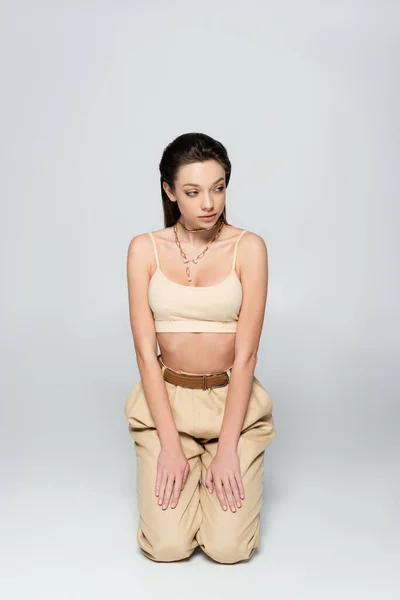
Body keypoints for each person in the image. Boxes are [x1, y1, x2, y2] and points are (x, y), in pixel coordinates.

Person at [124, 132, 276, 564]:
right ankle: (182, 459)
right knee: (167, 547)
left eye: (219, 187)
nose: (209, 203)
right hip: (167, 403)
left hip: (232, 402)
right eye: (193, 192)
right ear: (170, 191)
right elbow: (144, 356)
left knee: (228, 550)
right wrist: (170, 447)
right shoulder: (143, 249)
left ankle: (221, 458)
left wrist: (227, 449)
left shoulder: (249, 247)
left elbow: (246, 357)